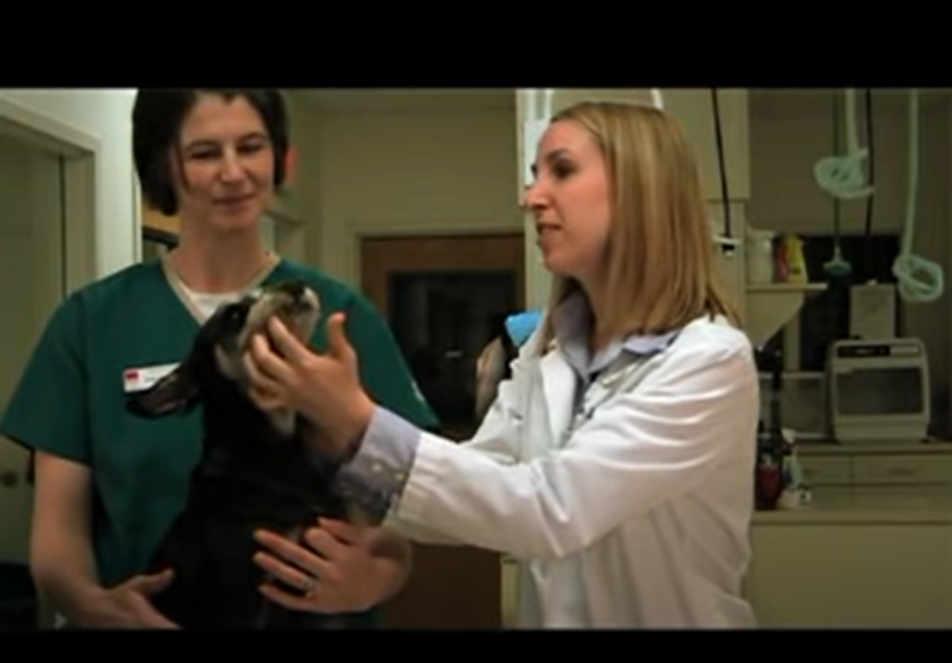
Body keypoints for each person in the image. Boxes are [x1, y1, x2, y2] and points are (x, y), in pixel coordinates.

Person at [242, 100, 760, 628]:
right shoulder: (547, 353)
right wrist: (355, 504)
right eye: (536, 175)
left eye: (562, 170)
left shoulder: (707, 361)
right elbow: (485, 484)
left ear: (639, 192)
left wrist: (360, 422)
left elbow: (551, 510)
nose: (533, 197)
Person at [0, 88, 438, 629]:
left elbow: (390, 532)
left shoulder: (343, 322)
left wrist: (372, 578)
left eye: (250, 147)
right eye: (205, 153)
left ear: (280, 159)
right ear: (166, 166)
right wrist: (91, 605)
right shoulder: (90, 325)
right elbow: (56, 544)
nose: (233, 173)